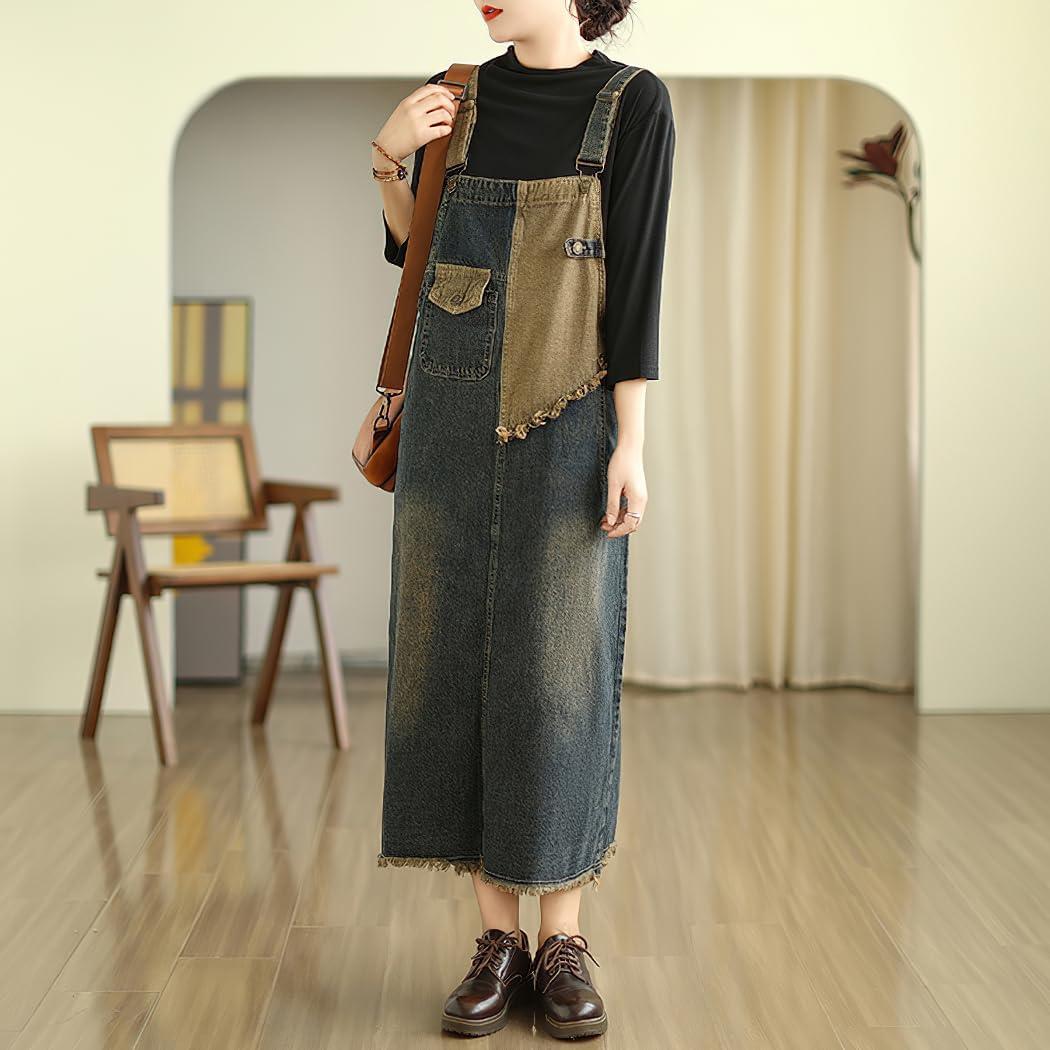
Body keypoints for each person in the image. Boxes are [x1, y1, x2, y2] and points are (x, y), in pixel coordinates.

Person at [369, 0, 674, 1039]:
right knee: (450, 663)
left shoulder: (633, 104)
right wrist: (387, 159)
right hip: (448, 420)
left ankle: (562, 940)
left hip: (570, 417)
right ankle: (496, 939)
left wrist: (630, 442)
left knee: (558, 672)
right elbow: (416, 258)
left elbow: (637, 281)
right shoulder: (458, 93)